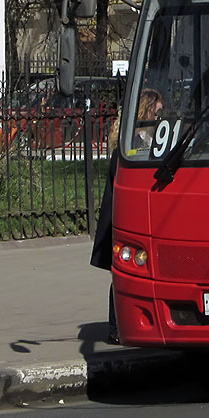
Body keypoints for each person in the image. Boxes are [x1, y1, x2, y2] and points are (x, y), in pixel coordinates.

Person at [90, 112, 120, 345]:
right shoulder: (129, 146)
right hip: (118, 218)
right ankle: (115, 327)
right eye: (156, 112)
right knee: (119, 276)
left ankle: (116, 326)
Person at [131, 87, 163, 153]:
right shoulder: (131, 141)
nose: (158, 118)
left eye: (161, 114)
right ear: (144, 112)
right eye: (155, 113)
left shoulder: (159, 137)